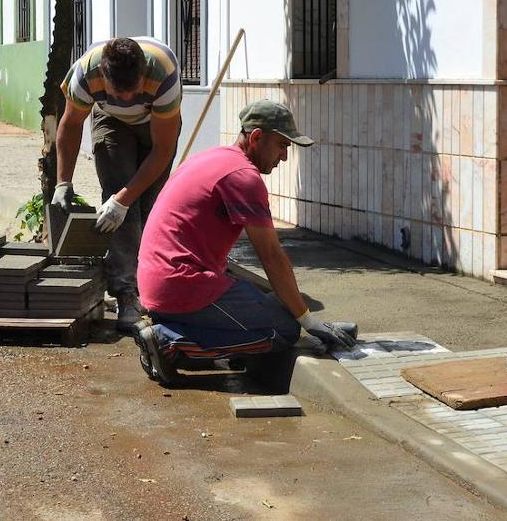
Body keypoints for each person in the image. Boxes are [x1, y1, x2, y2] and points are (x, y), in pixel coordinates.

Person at [132, 99, 356, 387]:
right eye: (282, 145)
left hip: (156, 283)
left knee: (274, 302)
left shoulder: (211, 157)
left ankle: (178, 335)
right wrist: (309, 322)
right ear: (256, 137)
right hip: (180, 285)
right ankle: (167, 342)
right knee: (284, 329)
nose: (284, 156)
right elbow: (272, 257)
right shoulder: (243, 177)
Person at [52, 37, 182, 333]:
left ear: (143, 75)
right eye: (117, 93)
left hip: (155, 127)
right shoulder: (86, 74)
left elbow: (162, 149)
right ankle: (126, 295)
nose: (125, 99)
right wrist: (63, 183)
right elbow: (71, 125)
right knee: (120, 204)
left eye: (132, 91)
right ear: (104, 75)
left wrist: (124, 200)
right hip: (110, 122)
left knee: (147, 207)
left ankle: (151, 287)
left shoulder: (163, 74)